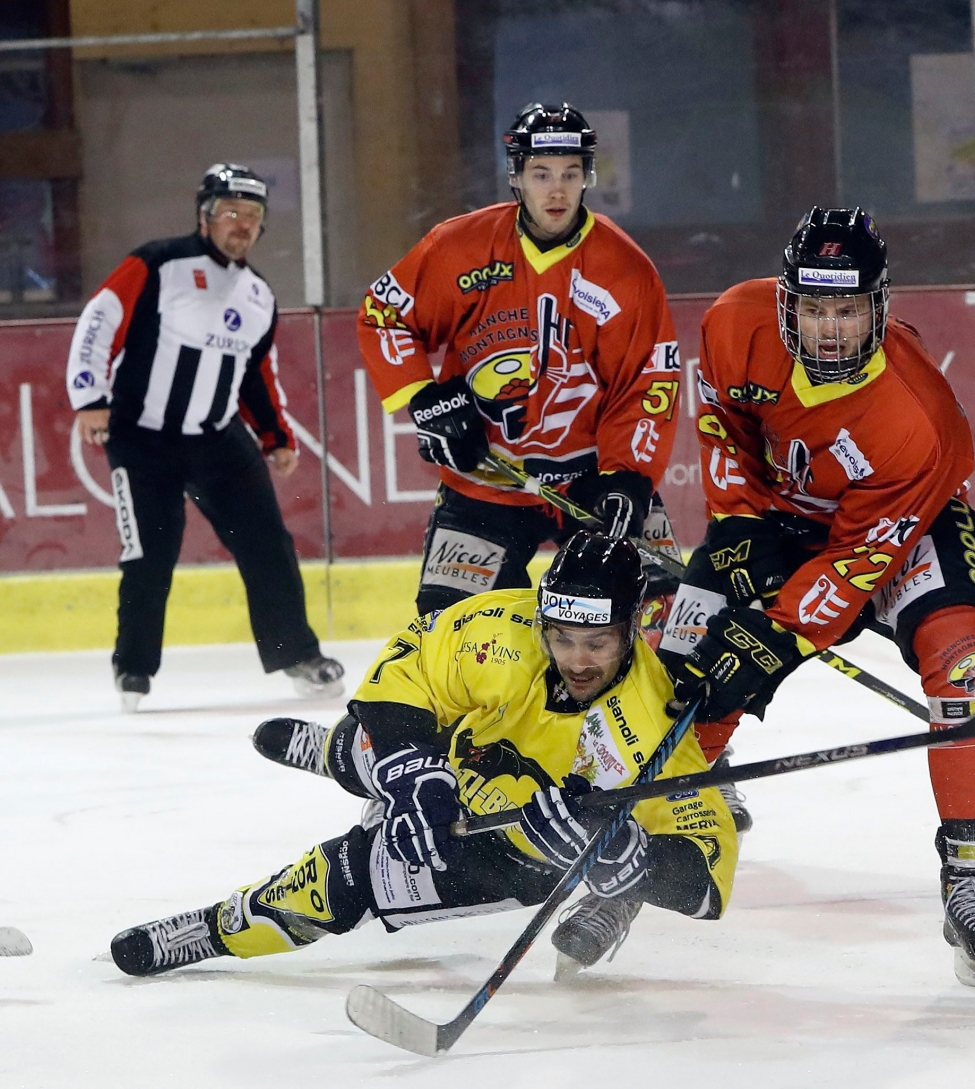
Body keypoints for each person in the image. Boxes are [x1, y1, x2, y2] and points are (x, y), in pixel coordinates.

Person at [656, 207, 975, 989]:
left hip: (902, 529)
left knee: (964, 662)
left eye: (848, 309)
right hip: (782, 515)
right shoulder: (735, 322)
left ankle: (973, 879)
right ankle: (643, 838)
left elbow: (859, 561)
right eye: (815, 308)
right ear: (788, 301)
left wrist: (774, 636)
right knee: (685, 654)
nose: (828, 330)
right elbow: (721, 419)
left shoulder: (920, 419)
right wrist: (741, 521)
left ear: (879, 306)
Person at [110, 533, 738, 977]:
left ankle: (215, 926)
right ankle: (341, 756)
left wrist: (632, 862)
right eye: (562, 637)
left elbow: (708, 874)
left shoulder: (656, 720)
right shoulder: (501, 629)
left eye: (597, 642)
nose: (577, 659)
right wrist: (415, 772)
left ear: (633, 625)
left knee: (341, 883)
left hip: (505, 846)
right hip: (458, 758)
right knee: (381, 747)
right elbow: (401, 674)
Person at [355, 103, 679, 615]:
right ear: (517, 176)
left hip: (591, 481)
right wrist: (427, 399)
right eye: (542, 173)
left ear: (587, 177)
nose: (557, 190)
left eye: (570, 174)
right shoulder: (458, 248)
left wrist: (629, 479)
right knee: (451, 634)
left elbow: (647, 382)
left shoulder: (625, 270)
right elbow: (384, 315)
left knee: (662, 628)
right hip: (487, 478)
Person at [67, 163, 343, 712]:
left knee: (268, 544)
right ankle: (134, 669)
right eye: (230, 212)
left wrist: (275, 435)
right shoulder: (158, 263)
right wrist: (89, 398)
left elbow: (255, 373)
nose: (242, 224)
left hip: (218, 440)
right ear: (205, 216)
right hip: (141, 439)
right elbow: (99, 321)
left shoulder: (258, 294)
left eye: (254, 216)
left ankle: (299, 655)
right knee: (149, 554)